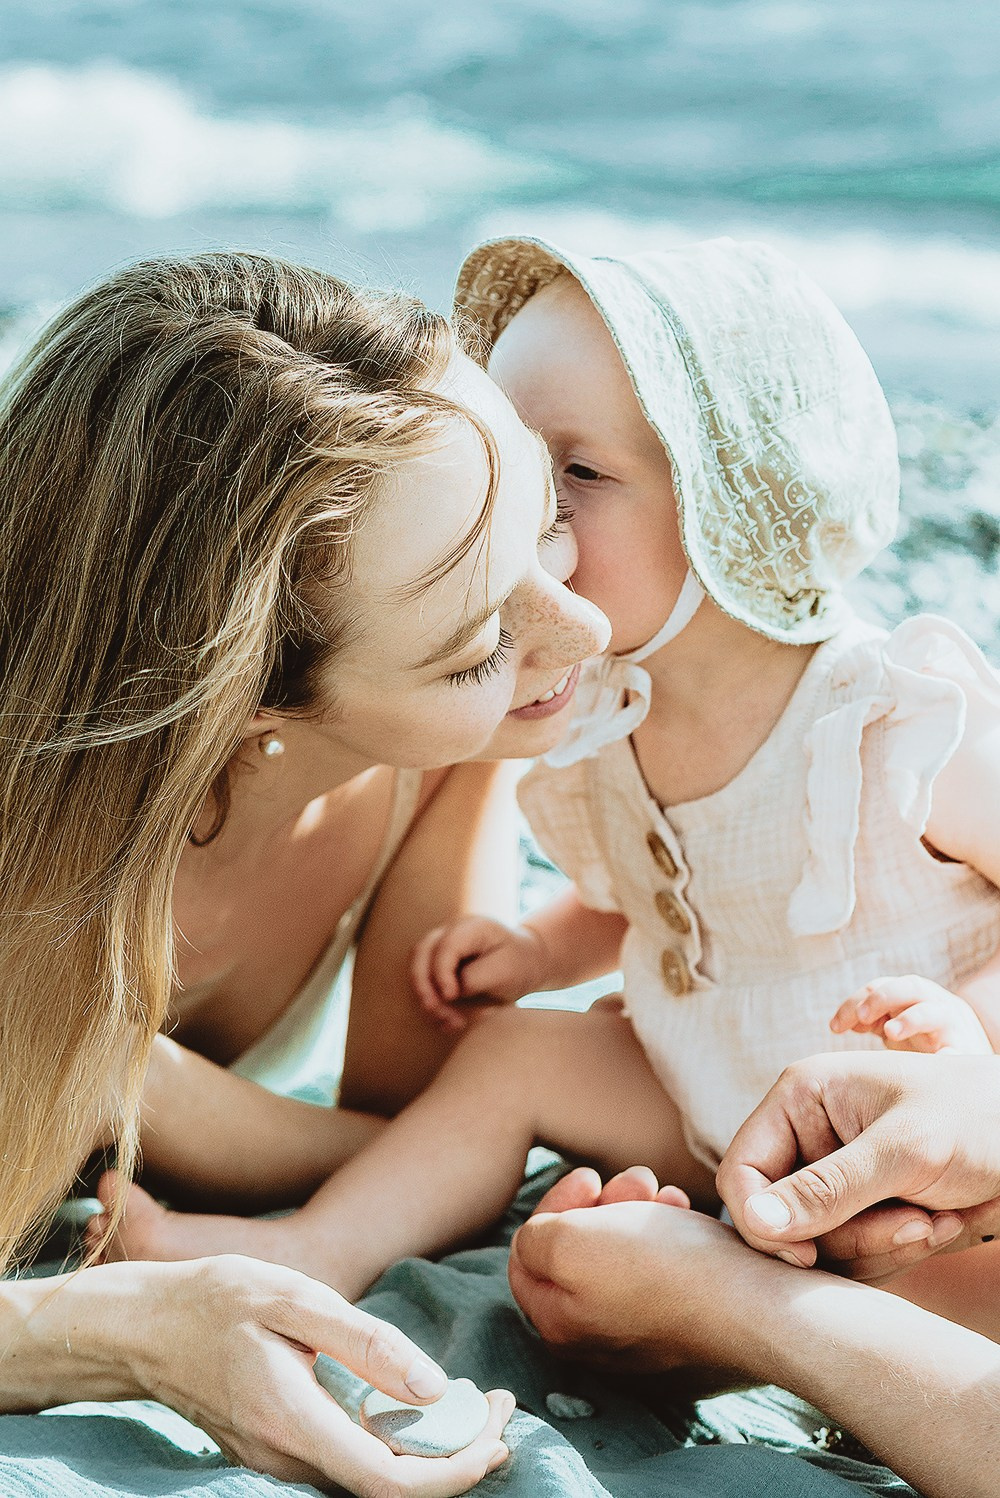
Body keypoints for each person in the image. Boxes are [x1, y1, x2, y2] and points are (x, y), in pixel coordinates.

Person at [98, 236, 1000, 1342]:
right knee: (519, 1048)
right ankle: (317, 1244)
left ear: (735, 497)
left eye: (581, 475)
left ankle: (746, 1297)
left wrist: (970, 1025)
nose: (536, 522)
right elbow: (658, 891)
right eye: (519, 469)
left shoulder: (888, 714)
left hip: (908, 1121)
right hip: (704, 1089)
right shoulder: (602, 711)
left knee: (940, 1278)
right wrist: (539, 953)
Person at [0, 247, 621, 1490]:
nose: (585, 626)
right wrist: (129, 1332)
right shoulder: (36, 857)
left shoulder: (441, 759)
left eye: (545, 522)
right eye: (477, 646)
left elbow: (402, 1125)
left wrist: (140, 1080)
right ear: (245, 704)